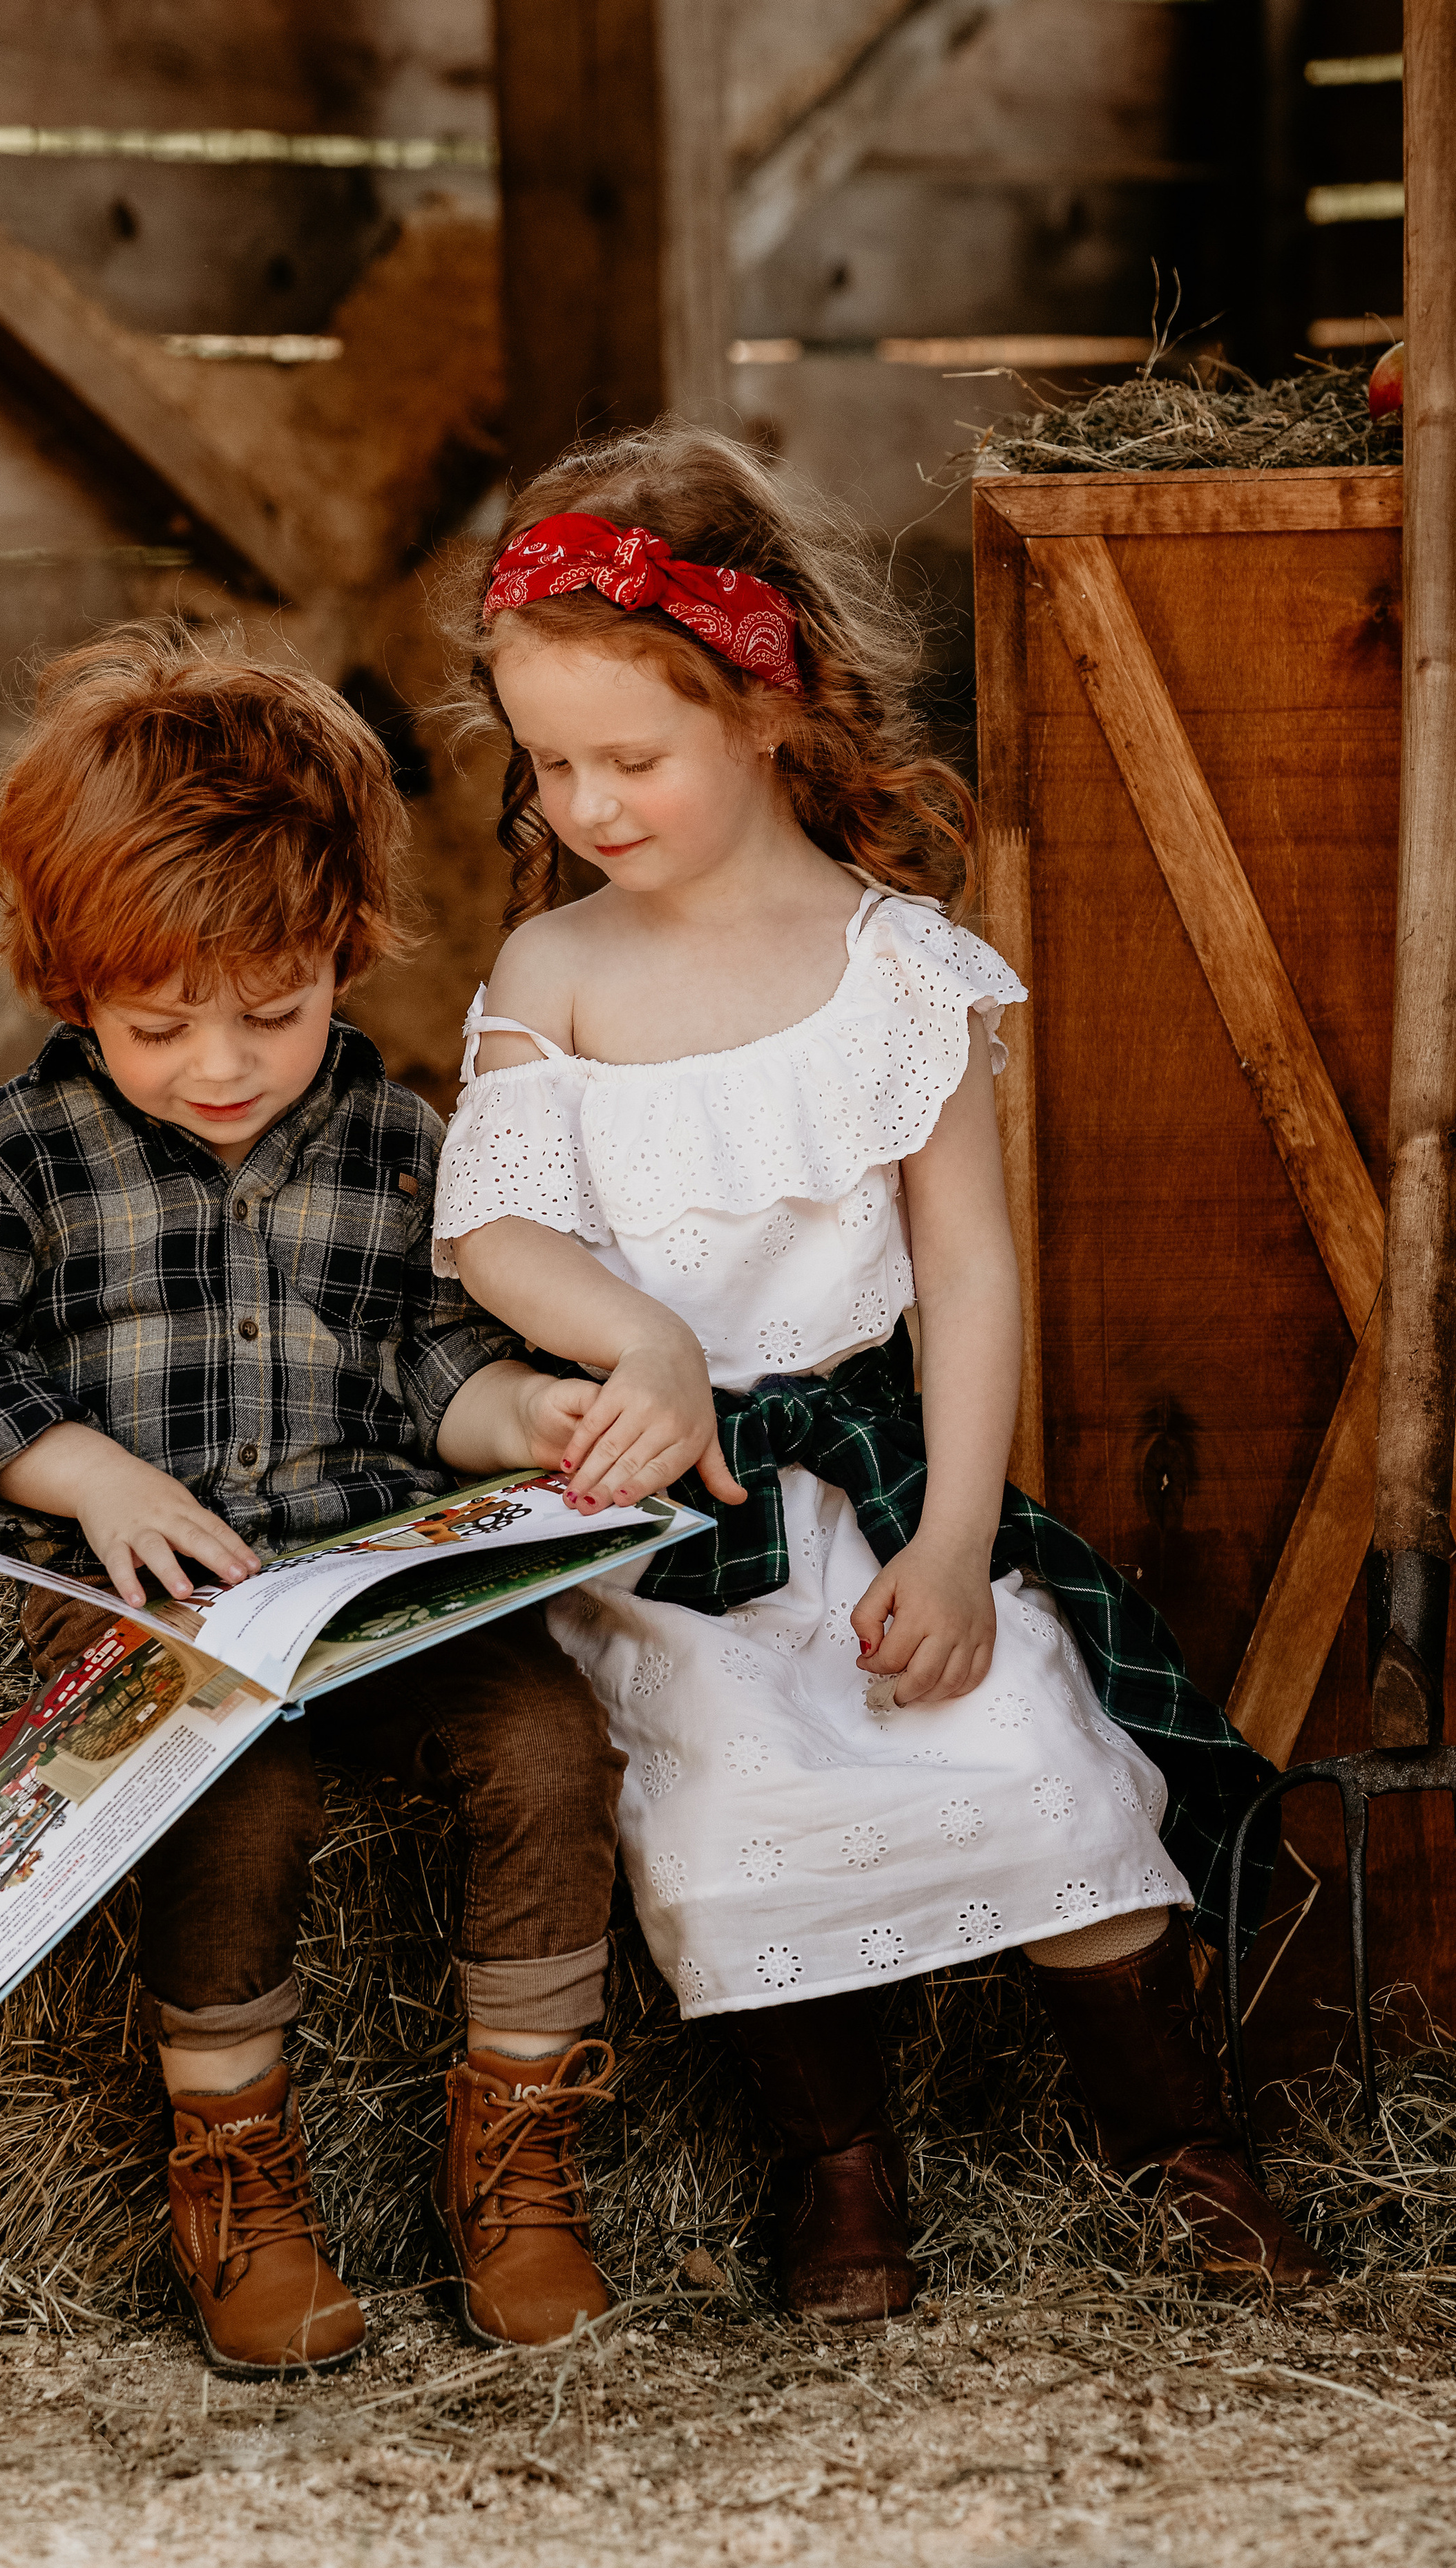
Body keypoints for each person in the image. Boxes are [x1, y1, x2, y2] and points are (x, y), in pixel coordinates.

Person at [432, 428, 1330, 2317]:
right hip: (673, 1518)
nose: (583, 800)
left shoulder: (901, 970)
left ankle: (1187, 2146)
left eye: (631, 756)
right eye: (550, 760)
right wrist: (645, 1338)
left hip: (884, 1491)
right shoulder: (554, 968)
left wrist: (956, 1546)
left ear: (768, 706)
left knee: (1046, 1783)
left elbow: (972, 1275)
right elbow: (492, 1236)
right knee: (729, 1820)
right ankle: (844, 2174)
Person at [0, 622, 628, 2377]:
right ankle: (237, 2171)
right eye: (161, 1025)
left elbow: (430, 1363)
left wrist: (534, 1417)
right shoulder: (13, 1157)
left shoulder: (395, 1138)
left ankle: (518, 2161)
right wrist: (94, 1476)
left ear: (344, 953)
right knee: (236, 1792)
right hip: (175, 1626)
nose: (221, 1063)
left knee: (547, 1746)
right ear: (72, 983)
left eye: (274, 1013)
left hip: (370, 1586)